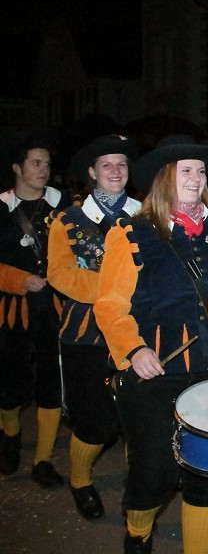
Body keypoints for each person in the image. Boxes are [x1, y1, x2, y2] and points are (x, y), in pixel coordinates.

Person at [95, 135, 208, 554]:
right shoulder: (132, 233)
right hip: (154, 370)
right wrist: (134, 350)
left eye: (201, 171)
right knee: (153, 470)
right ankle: (138, 533)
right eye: (185, 170)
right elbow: (110, 305)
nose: (195, 178)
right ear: (164, 178)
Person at [47, 134, 141, 519]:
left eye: (121, 164)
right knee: (94, 419)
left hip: (137, 329)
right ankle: (80, 479)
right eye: (107, 165)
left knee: (137, 415)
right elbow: (59, 274)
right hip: (86, 332)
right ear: (91, 172)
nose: (116, 171)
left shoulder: (145, 214)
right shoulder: (67, 218)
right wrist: (114, 288)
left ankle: (140, 485)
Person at [0, 139, 70, 486]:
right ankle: (10, 432)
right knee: (10, 384)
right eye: (36, 163)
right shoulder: (1, 209)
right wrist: (18, 278)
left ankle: (43, 459)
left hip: (53, 309)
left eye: (46, 164)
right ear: (17, 167)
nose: (44, 170)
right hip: (13, 309)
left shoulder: (62, 207)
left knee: (50, 384)